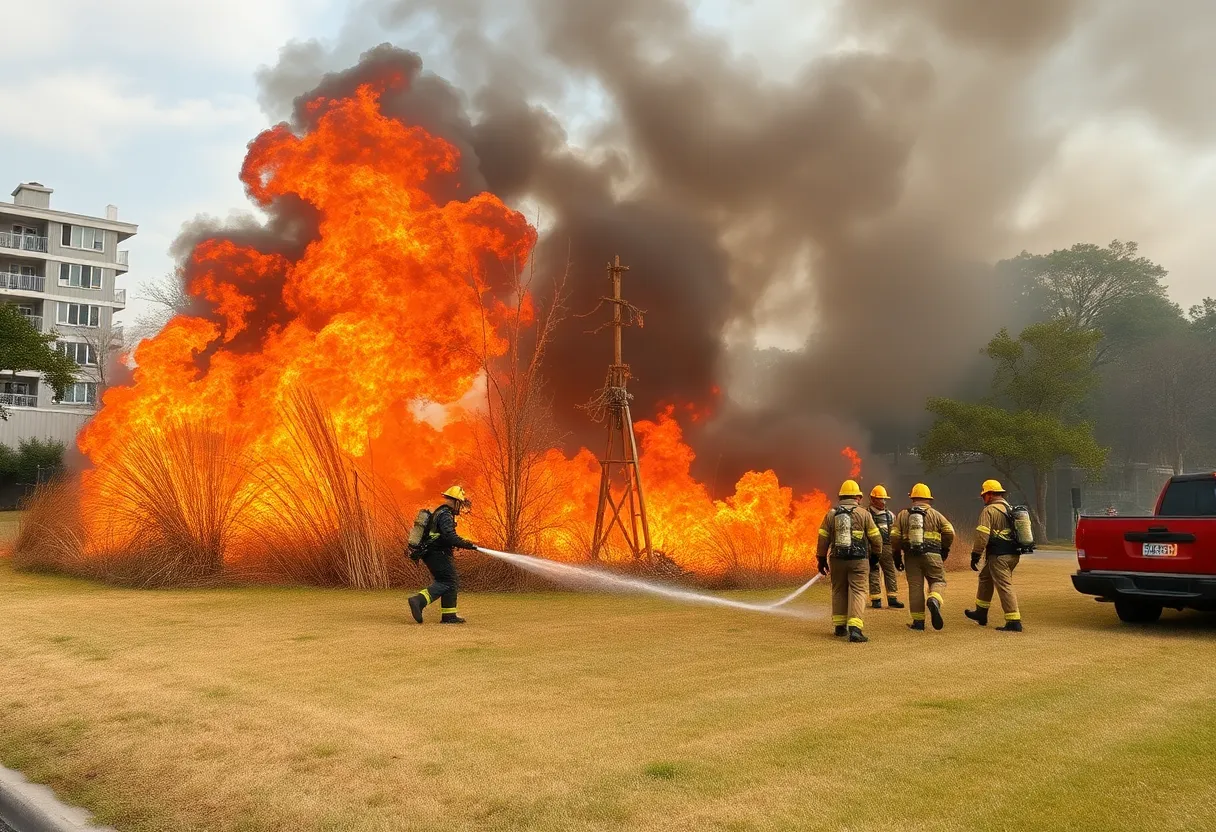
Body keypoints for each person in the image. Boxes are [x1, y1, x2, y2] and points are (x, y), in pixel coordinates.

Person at [817, 479, 884, 643]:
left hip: (837, 559)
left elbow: (823, 538)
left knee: (838, 590)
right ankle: (855, 629)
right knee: (858, 591)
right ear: (857, 497)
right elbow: (877, 539)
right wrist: (876, 556)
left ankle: (840, 627)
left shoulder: (831, 514)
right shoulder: (864, 514)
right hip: (859, 560)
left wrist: (821, 559)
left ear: (841, 497)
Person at [408, 486, 479, 625]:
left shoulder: (441, 512)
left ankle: (449, 616)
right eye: (461, 503)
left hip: (433, 552)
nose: (461, 507)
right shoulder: (445, 514)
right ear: (456, 501)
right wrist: (468, 544)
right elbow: (450, 536)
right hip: (436, 553)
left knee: (450, 580)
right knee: (448, 581)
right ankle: (419, 600)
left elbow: (443, 536)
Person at [889, 484, 955, 632]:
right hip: (933, 554)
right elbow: (950, 532)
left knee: (916, 587)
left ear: (912, 498)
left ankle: (918, 622)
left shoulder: (903, 515)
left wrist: (897, 554)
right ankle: (934, 599)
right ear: (928, 499)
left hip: (911, 556)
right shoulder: (936, 514)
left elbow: (894, 536)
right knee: (938, 580)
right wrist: (944, 548)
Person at [965, 480, 1023, 632]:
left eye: (984, 495)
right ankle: (981, 612)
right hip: (1012, 554)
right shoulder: (1008, 508)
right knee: (985, 577)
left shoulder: (989, 511)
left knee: (1004, 585)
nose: (983, 498)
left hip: (999, 556)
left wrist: (975, 555)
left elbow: (982, 536)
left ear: (990, 495)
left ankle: (1013, 621)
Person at [866, 485, 904, 610]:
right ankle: (876, 599)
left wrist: (896, 549)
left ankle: (892, 599)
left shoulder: (890, 515)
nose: (883, 502)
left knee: (890, 572)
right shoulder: (866, 514)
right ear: (872, 499)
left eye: (884, 499)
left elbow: (895, 533)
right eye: (880, 499)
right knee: (873, 572)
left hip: (887, 547)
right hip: (872, 547)